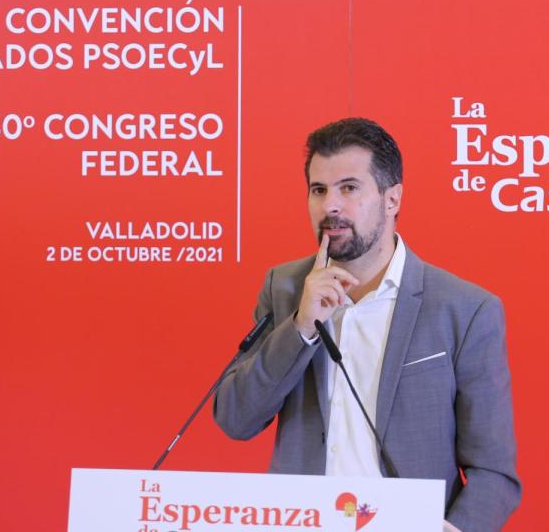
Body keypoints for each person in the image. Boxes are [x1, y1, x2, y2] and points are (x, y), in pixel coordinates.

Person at [214, 117, 520, 531]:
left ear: (392, 199)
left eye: (349, 188)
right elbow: (235, 419)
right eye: (319, 190)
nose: (330, 206)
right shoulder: (284, 288)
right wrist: (301, 327)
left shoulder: (464, 309)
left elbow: (493, 472)